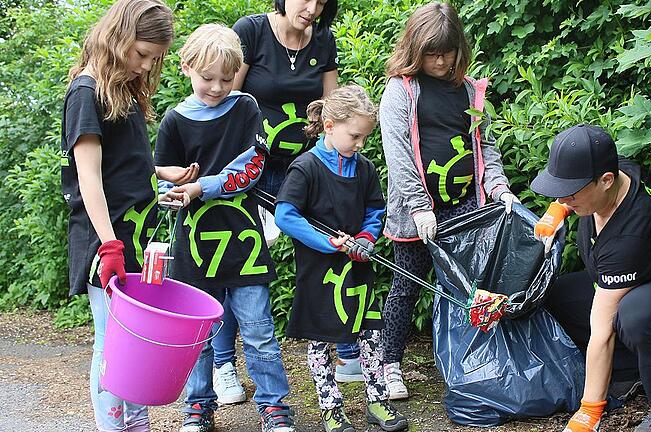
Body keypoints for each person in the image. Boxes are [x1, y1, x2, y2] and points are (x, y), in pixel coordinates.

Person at [206, 0, 364, 399]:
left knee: (329, 248)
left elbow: (334, 113)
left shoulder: (323, 40)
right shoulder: (252, 31)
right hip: (250, 170)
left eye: (322, 1)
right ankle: (223, 365)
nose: (312, 8)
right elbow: (227, 99)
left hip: (306, 171)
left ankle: (346, 351)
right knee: (236, 265)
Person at [530, 124, 651, 432]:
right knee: (553, 296)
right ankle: (632, 370)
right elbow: (580, 183)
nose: (564, 198)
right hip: (641, 283)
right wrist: (557, 211)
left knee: (636, 313)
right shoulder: (621, 173)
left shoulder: (631, 234)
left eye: (570, 193)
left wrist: (588, 413)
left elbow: (602, 331)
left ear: (606, 181)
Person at [153, 24, 294, 432]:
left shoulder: (246, 106)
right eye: (207, 78)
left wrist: (202, 186)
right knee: (197, 333)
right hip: (193, 242)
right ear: (186, 68)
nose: (216, 87)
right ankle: (198, 407)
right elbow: (163, 178)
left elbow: (251, 168)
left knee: (259, 330)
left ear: (237, 74)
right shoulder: (174, 120)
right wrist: (173, 190)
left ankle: (274, 407)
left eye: (225, 78)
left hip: (243, 239)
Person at [378, 1, 519, 400]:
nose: (439, 61)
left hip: (465, 211)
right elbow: (399, 155)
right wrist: (420, 206)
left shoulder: (471, 91)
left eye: (447, 52)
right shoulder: (401, 91)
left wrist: (499, 187)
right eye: (431, 53)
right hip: (416, 216)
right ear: (414, 49)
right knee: (406, 287)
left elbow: (485, 146)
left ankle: (473, 364)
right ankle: (389, 364)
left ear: (460, 48)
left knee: (471, 290)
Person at [60, 0, 176, 430]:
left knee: (137, 343)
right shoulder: (86, 93)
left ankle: (136, 424)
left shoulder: (120, 89)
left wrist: (161, 172)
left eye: (153, 59)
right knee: (112, 345)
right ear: (119, 37)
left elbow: (122, 162)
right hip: (105, 241)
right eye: (141, 54)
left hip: (136, 236)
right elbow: (88, 178)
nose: (145, 67)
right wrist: (109, 245)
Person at [274, 85, 408, 432]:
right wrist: (328, 242)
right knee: (321, 342)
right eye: (355, 136)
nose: (360, 144)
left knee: (371, 336)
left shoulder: (364, 168)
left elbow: (376, 210)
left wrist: (365, 238)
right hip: (320, 272)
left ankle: (377, 403)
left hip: (358, 272)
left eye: (365, 137)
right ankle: (331, 409)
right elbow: (286, 216)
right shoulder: (304, 168)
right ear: (329, 125)